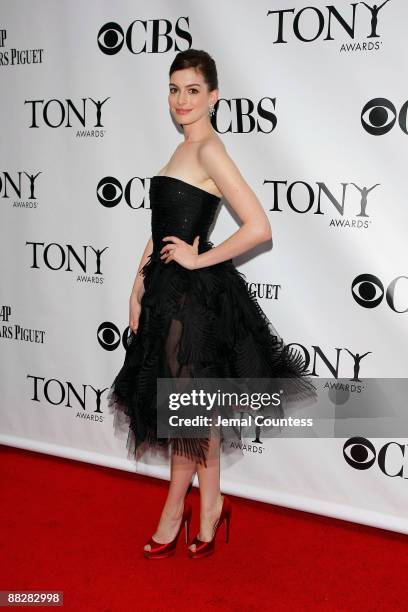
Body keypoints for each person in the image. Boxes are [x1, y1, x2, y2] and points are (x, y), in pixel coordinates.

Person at [107, 49, 316, 559]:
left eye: (193, 90)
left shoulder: (209, 151)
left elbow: (258, 227)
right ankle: (197, 509)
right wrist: (137, 284)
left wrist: (200, 263)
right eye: (175, 89)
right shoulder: (182, 148)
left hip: (193, 300)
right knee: (183, 411)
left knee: (192, 412)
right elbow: (161, 232)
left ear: (213, 96)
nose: (181, 99)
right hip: (164, 292)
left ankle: (193, 509)